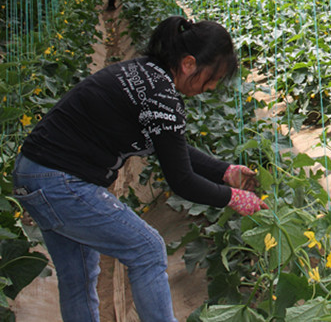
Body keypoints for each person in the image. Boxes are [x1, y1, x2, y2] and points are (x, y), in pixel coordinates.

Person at [12, 16, 267, 322]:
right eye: (213, 77)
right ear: (189, 63)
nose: (211, 86)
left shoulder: (146, 74)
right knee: (147, 249)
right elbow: (182, 180)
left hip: (35, 173)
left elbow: (172, 148)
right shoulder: (161, 96)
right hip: (62, 182)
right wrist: (233, 198)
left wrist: (225, 171)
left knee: (78, 276)